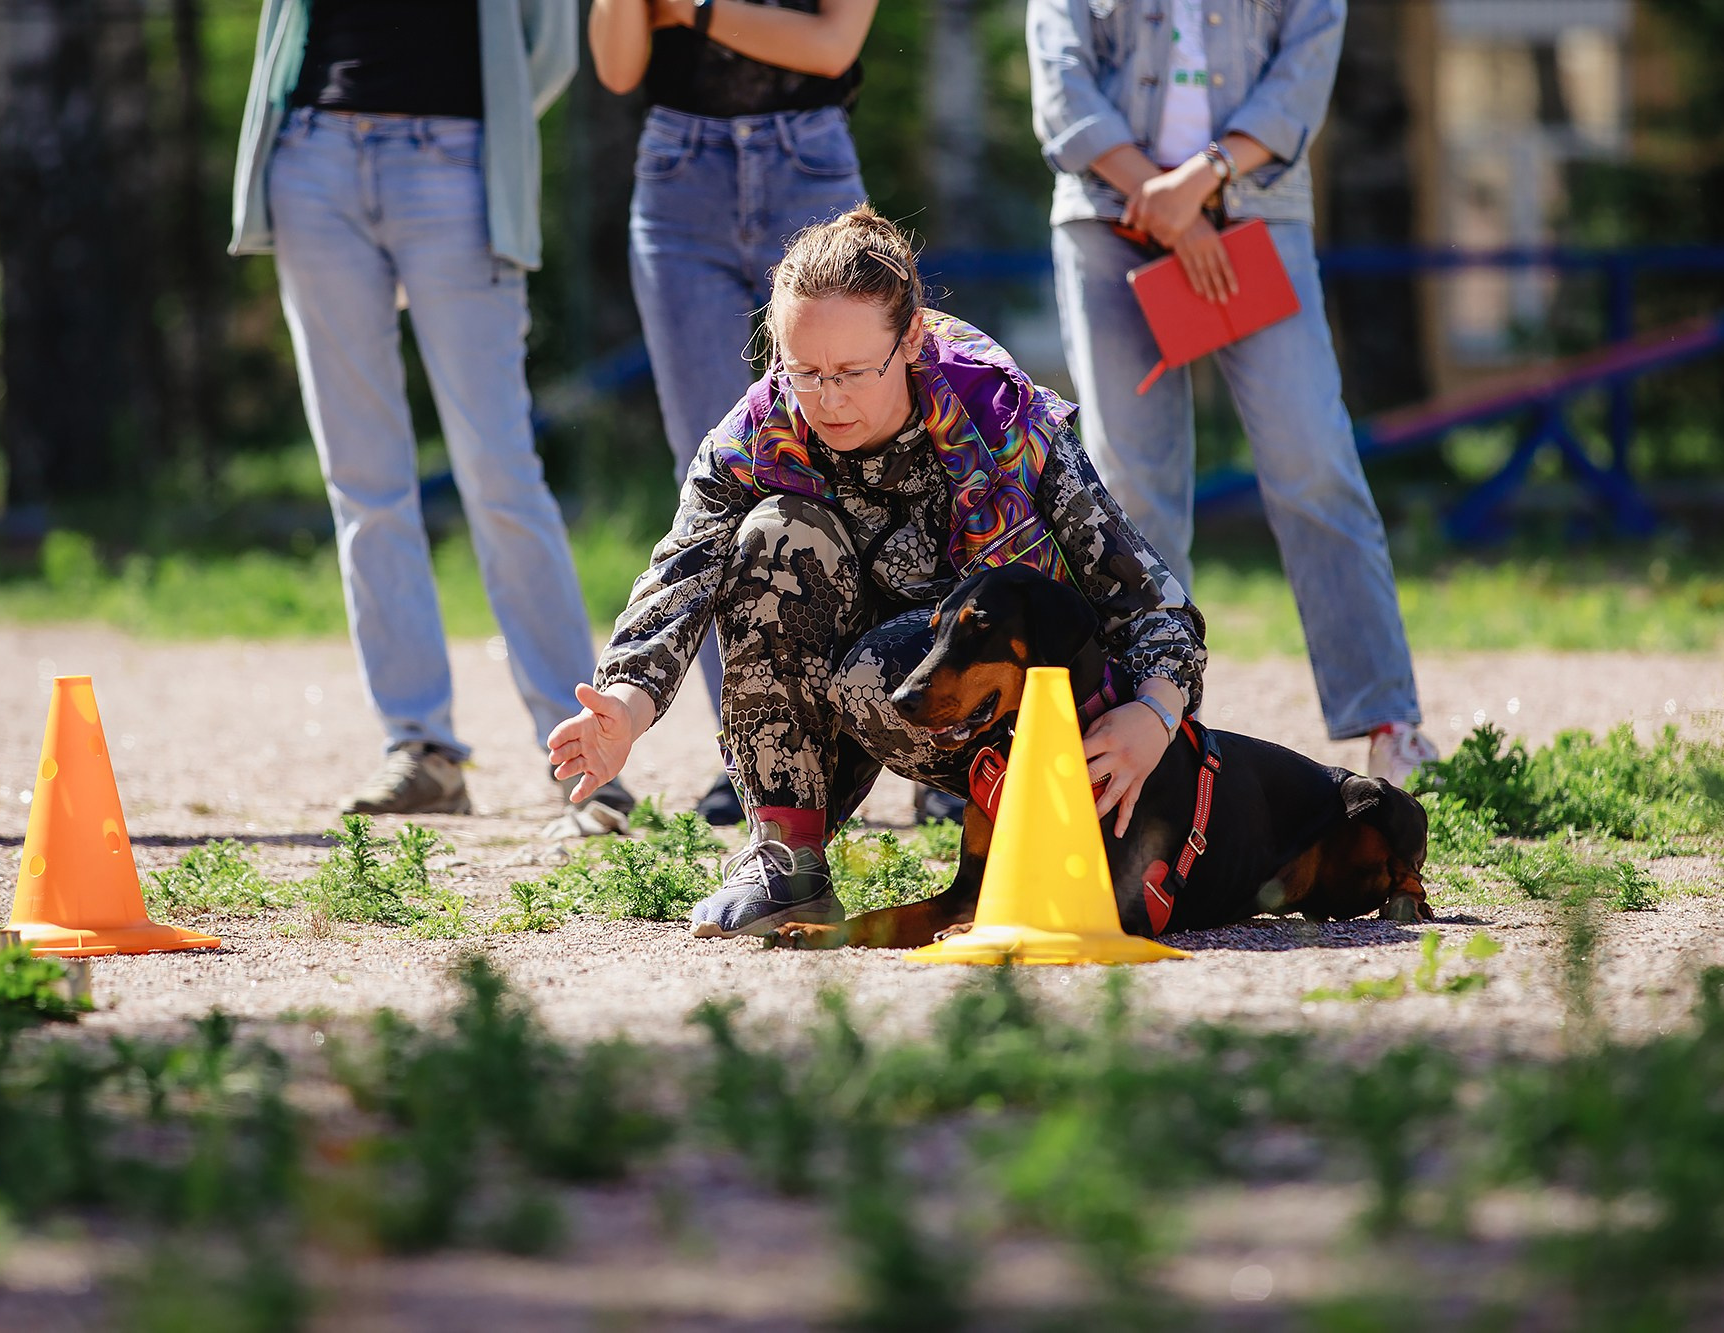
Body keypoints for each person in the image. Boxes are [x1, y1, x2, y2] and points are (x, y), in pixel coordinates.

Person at [548, 206, 1207, 938]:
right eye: (805, 371)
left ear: (912, 338)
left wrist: (1153, 716)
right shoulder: (756, 433)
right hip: (851, 687)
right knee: (776, 533)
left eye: (854, 373)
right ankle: (787, 861)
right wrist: (625, 704)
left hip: (1024, 726)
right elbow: (680, 574)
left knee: (874, 674)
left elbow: (1153, 604)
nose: (828, 399)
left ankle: (1010, 826)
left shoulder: (1005, 419)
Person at [230, 0, 633, 835]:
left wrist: (495, 129)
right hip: (313, 157)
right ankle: (421, 749)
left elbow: (550, 46)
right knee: (362, 479)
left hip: (457, 159)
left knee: (500, 473)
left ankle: (584, 750)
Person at [1029, 0, 1438, 786]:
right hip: (1108, 216)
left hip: (1258, 212)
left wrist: (1202, 180)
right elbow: (1061, 81)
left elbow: (1302, 69)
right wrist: (1168, 205)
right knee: (1132, 482)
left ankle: (1389, 720)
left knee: (1312, 455)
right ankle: (1152, 725)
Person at [587, 0, 887, 826]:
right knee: (711, 467)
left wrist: (690, 10)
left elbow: (830, 46)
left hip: (809, 162)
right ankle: (753, 747)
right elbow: (617, 67)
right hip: (678, 170)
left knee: (859, 446)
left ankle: (900, 730)